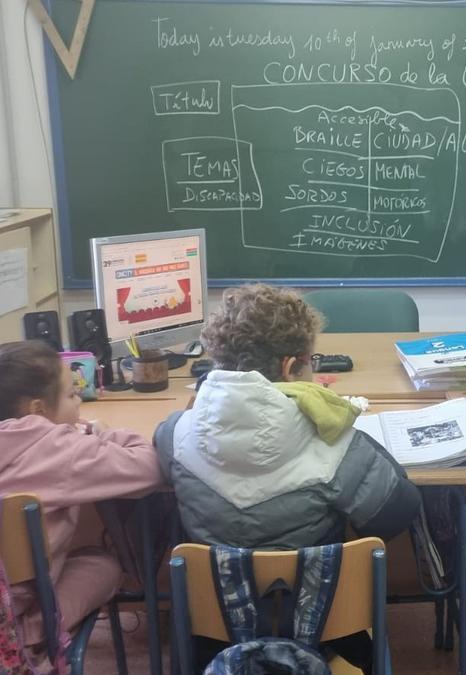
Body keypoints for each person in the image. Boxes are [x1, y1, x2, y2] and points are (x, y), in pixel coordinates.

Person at [154, 284, 421, 671]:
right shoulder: (335, 441)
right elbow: (398, 512)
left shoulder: (174, 434)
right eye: (311, 361)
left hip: (213, 630)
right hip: (323, 625)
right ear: (289, 367)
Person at [0, 341, 164, 649]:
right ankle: (24, 637)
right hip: (14, 608)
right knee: (104, 566)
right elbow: (151, 467)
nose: (78, 404)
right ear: (37, 410)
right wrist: (98, 432)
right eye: (72, 395)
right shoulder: (56, 449)